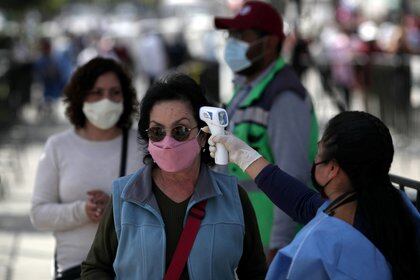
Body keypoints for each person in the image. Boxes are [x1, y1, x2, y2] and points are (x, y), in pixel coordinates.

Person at [80, 73, 266, 279]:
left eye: (180, 130)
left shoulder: (234, 198)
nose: (168, 142)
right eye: (157, 132)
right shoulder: (124, 197)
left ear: (204, 136)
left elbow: (255, 272)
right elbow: (95, 268)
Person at [206, 111, 420, 279]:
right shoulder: (399, 209)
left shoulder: (315, 248)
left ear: (332, 169)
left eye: (318, 152)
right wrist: (244, 156)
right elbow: (305, 203)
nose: (314, 158)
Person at [214, 0, 319, 257]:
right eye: (231, 35)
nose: (232, 42)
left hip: (269, 241)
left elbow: (292, 175)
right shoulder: (246, 87)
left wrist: (279, 244)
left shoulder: (284, 97)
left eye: (242, 35)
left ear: (270, 43)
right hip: (245, 233)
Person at [30, 57, 143, 279]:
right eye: (97, 92)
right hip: (75, 268)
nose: (106, 100)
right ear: (81, 97)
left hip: (131, 266)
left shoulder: (143, 145)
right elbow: (39, 214)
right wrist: (84, 211)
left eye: (114, 92)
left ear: (125, 97)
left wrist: (115, 208)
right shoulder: (58, 146)